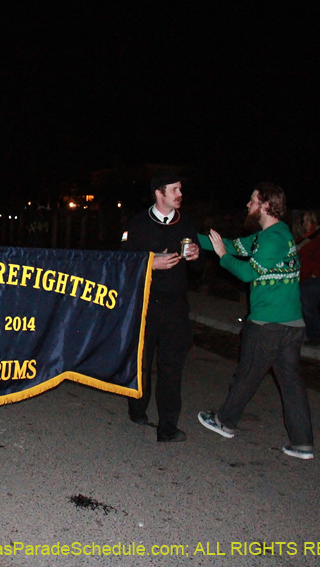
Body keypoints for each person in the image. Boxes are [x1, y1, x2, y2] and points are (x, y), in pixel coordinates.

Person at [196, 183, 314, 459]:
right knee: (291, 384)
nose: (247, 205)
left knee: (247, 375)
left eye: (252, 200)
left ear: (265, 205)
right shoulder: (271, 236)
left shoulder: (273, 238)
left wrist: (223, 258)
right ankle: (302, 442)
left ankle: (224, 421)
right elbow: (231, 245)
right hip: (290, 325)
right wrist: (188, 237)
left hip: (269, 325)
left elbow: (248, 273)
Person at [120, 171, 200, 442]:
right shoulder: (138, 224)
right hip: (144, 303)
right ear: (159, 193)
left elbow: (198, 267)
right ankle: (137, 407)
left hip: (175, 305)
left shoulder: (186, 224)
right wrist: (149, 263)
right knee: (141, 360)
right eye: (174, 189)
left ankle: (168, 426)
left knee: (171, 366)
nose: (180, 194)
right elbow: (122, 262)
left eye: (180, 189)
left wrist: (196, 256)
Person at [293, 211, 320, 346]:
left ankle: (314, 337)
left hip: (316, 278)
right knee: (300, 305)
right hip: (303, 277)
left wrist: (316, 272)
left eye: (304, 221)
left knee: (308, 306)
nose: (302, 224)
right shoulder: (302, 238)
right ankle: (299, 334)